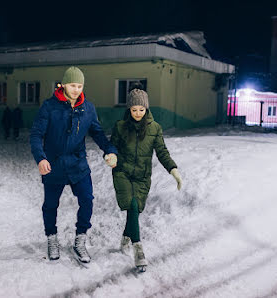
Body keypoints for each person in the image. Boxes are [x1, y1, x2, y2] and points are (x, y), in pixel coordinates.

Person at [30, 66, 118, 262]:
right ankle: (52, 238)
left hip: (78, 164)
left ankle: (80, 239)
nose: (76, 89)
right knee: (51, 204)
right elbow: (36, 134)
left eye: (79, 85)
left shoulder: (88, 108)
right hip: (53, 164)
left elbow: (97, 132)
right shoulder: (49, 107)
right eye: (72, 85)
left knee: (87, 199)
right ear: (63, 85)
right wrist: (41, 158)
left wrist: (110, 150)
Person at [110, 88, 182, 271]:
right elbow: (112, 147)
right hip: (122, 173)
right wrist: (110, 155)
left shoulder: (155, 128)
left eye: (141, 110)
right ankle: (138, 248)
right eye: (134, 110)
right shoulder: (120, 126)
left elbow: (162, 152)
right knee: (132, 205)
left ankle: (127, 235)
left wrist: (173, 169)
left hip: (142, 176)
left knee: (135, 209)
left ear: (146, 109)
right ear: (129, 109)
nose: (137, 113)